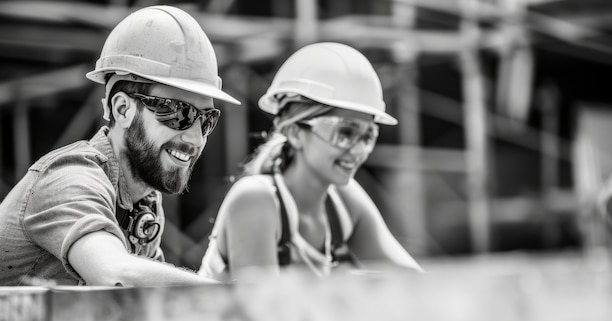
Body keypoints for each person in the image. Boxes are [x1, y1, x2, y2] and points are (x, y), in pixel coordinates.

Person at [0, 5, 241, 286]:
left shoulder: (143, 203)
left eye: (207, 119)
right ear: (123, 109)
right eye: (179, 113)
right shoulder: (70, 178)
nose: (196, 138)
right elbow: (115, 274)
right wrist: (234, 296)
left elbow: (140, 308)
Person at [198, 42, 423, 282]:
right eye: (344, 133)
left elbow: (417, 284)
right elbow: (264, 312)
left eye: (368, 136)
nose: (358, 150)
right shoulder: (255, 200)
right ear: (295, 132)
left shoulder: (344, 202)